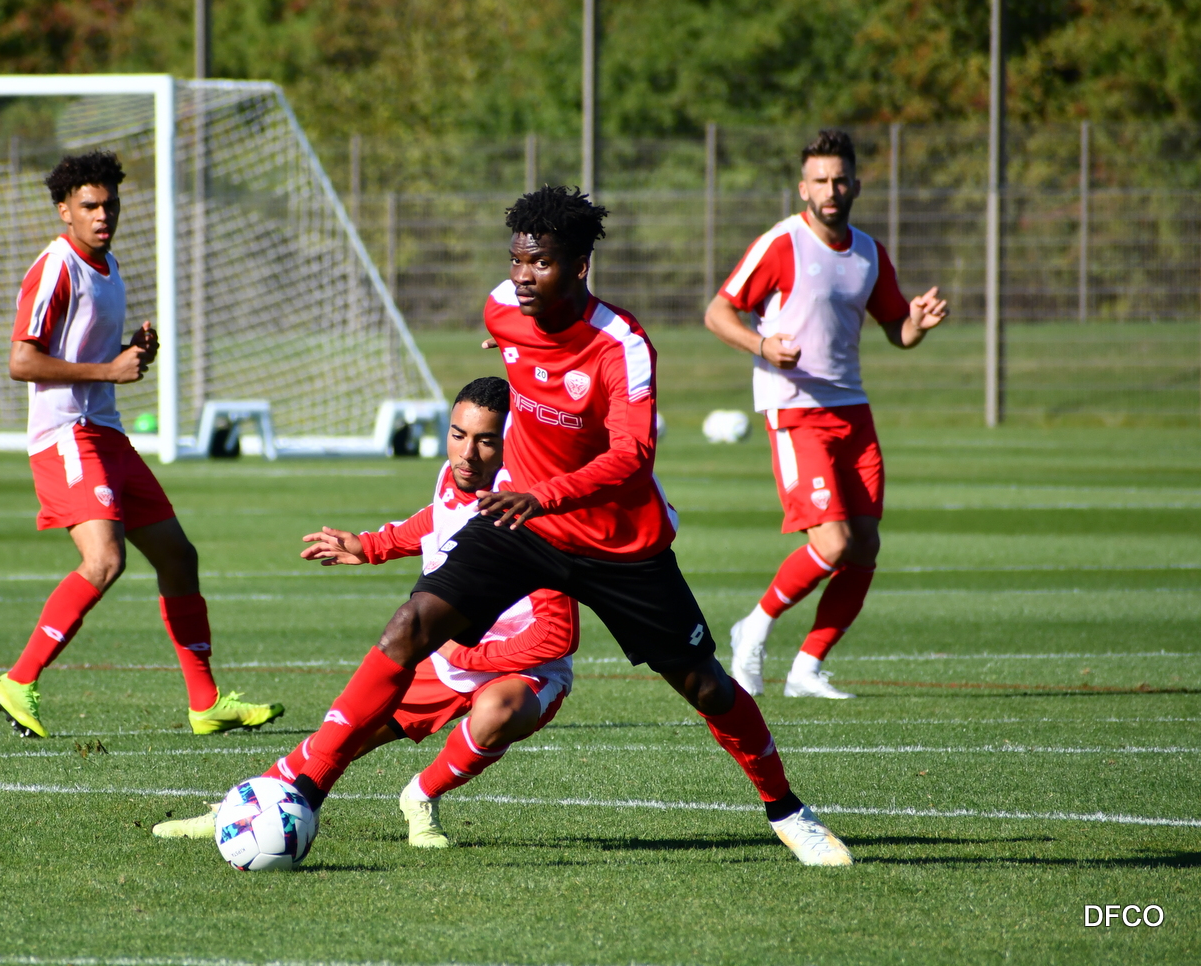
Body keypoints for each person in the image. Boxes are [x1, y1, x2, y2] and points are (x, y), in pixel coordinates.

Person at [232, 185, 852, 866]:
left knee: (705, 685)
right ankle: (305, 787)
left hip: (618, 543)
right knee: (408, 627)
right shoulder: (503, 308)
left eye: (541, 263)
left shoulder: (622, 344)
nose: (523, 276)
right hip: (522, 525)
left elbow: (632, 456)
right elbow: (517, 360)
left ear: (580, 266)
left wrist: (546, 495)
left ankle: (787, 810)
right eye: (517, 260)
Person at [153, 377, 580, 848]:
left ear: (511, 442)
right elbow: (440, 519)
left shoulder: (530, 507)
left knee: (498, 712)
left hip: (523, 668)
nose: (466, 453)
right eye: (458, 434)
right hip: (446, 654)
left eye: (486, 441)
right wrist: (372, 546)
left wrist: (466, 656)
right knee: (342, 736)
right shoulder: (454, 475)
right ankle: (241, 813)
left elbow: (556, 635)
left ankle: (421, 795)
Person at [0, 150, 284, 738]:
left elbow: (87, 353)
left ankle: (206, 703)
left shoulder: (108, 265)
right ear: (64, 209)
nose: (103, 215)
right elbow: (22, 361)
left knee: (178, 556)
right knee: (104, 561)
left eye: (110, 204)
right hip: (66, 435)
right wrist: (110, 371)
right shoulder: (56, 267)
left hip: (106, 432)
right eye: (89, 205)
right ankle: (18, 681)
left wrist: (131, 351)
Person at [704, 129, 948, 700]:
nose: (830, 191)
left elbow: (896, 330)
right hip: (794, 409)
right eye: (820, 181)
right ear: (803, 188)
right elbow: (718, 312)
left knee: (864, 547)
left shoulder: (868, 253)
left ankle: (807, 668)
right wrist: (763, 346)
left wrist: (916, 323)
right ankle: (753, 627)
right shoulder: (781, 244)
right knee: (833, 543)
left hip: (852, 411)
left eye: (840, 180)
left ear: (856, 185)